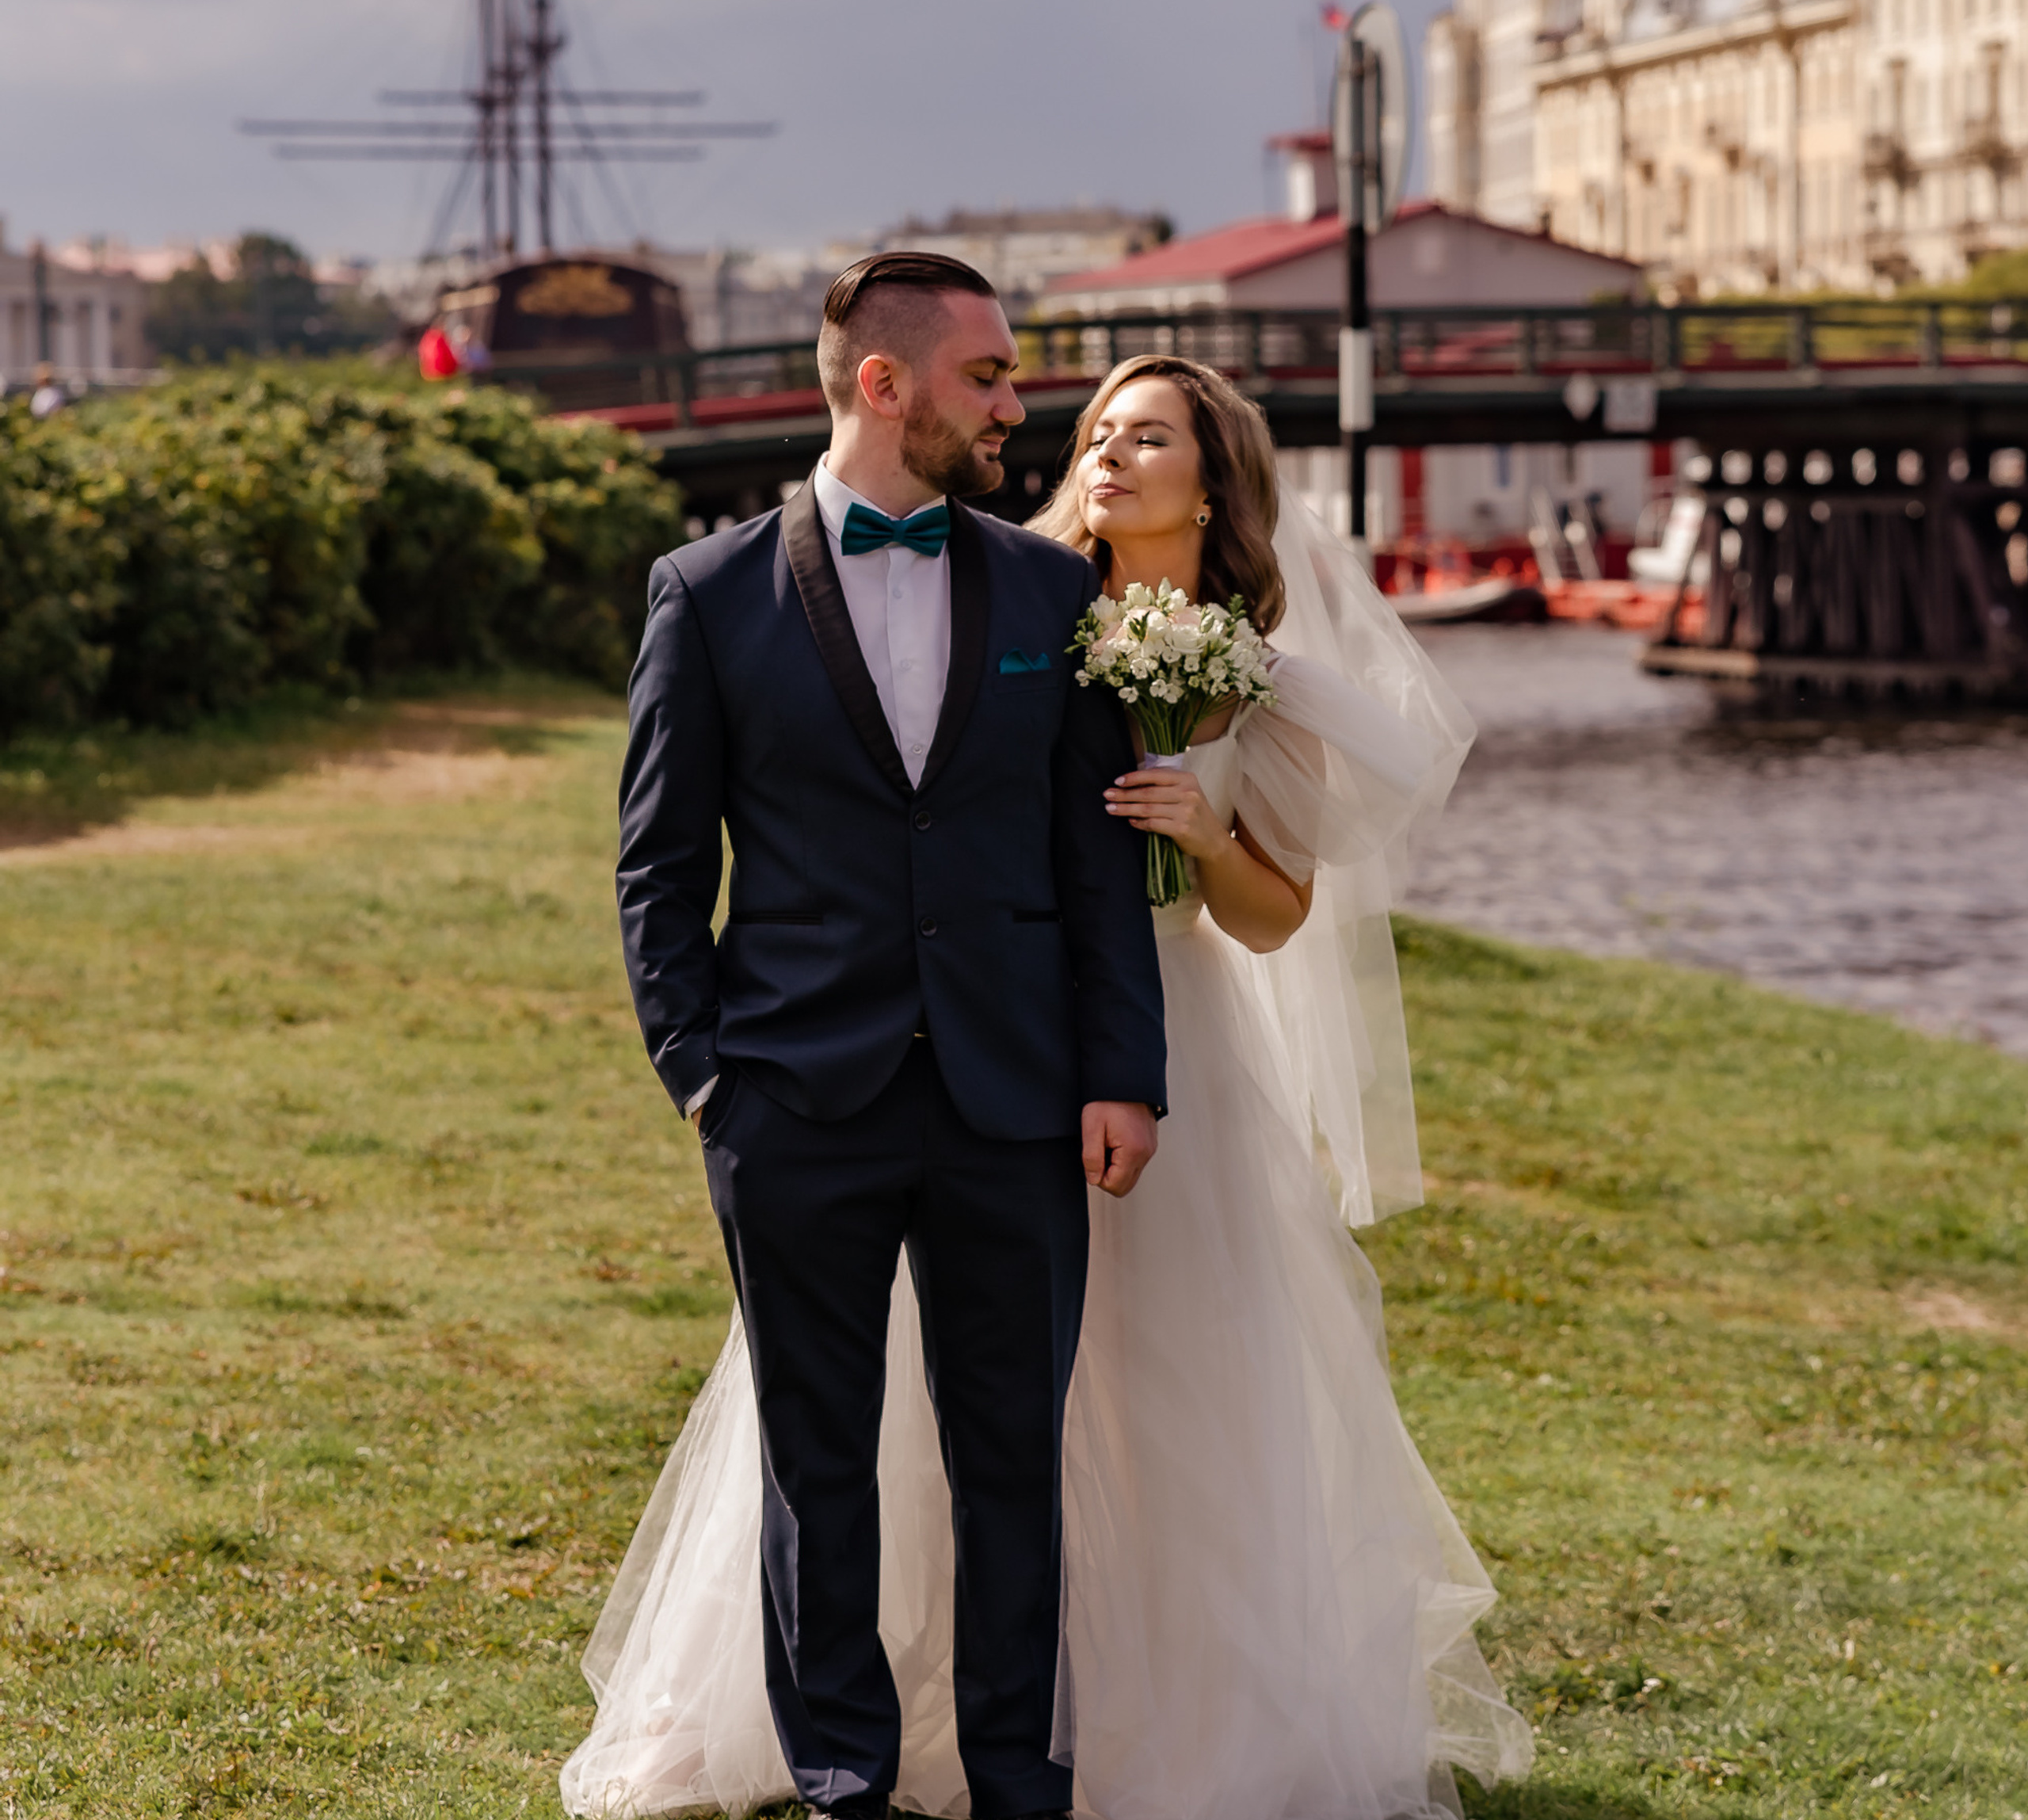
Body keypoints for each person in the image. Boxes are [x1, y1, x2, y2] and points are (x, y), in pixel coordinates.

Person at [566, 349, 1537, 1820]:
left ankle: (1112, 1729)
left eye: (1143, 436)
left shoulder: (1214, 652)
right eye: (1096, 431)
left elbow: (1262, 906)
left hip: (1119, 1054)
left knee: (1115, 1412)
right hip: (885, 1064)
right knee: (857, 1423)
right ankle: (849, 1740)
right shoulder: (1030, 591)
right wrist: (705, 1072)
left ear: (1217, 478)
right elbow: (687, 850)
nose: (1098, 451)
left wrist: (1196, 838)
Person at [579, 254, 1167, 1820]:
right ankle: (841, 1774)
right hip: (794, 1098)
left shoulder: (1054, 592)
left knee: (1009, 1468)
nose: (1015, 401)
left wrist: (1120, 1066)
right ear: (882, 384)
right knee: (816, 1463)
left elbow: (1092, 850)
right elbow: (656, 861)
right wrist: (702, 1072)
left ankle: (1014, 1776)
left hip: (1015, 1097)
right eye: (986, 373)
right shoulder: (704, 595)